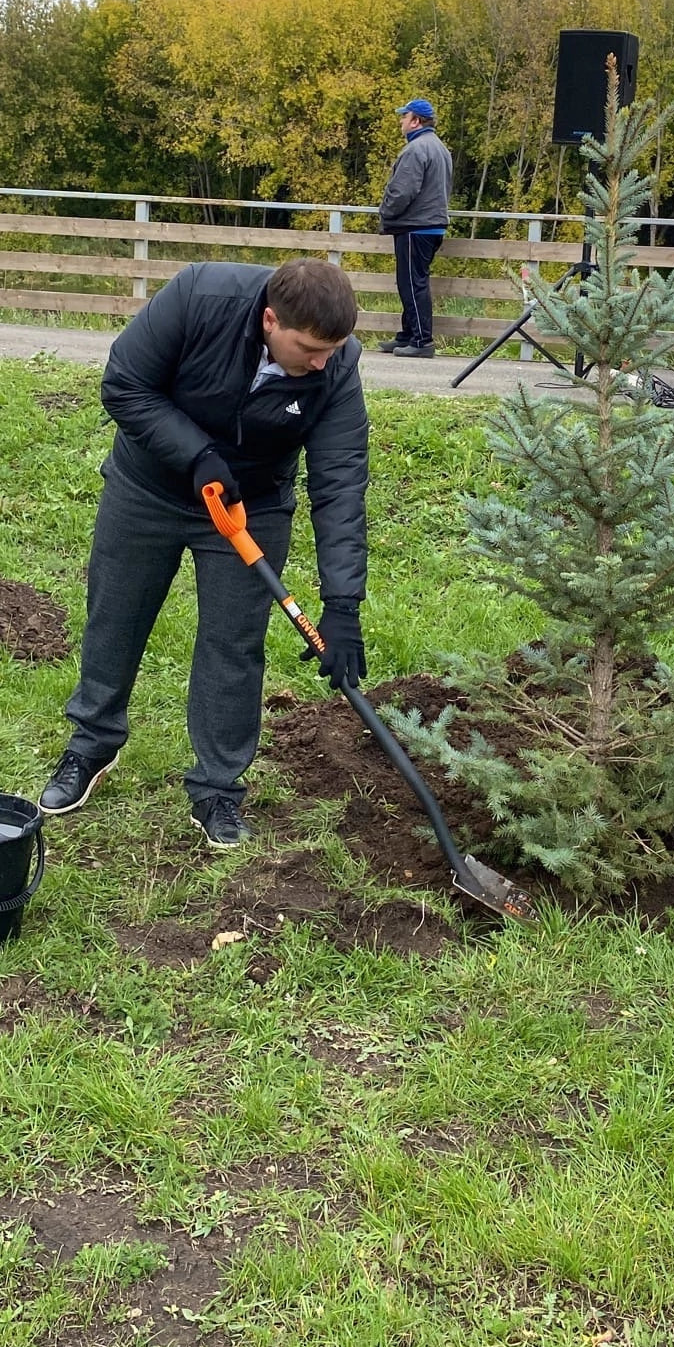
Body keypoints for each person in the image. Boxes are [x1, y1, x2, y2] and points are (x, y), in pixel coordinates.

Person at [39, 258, 369, 847]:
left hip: (253, 504)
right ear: (270, 320)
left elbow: (340, 479)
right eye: (310, 348)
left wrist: (342, 605)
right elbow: (124, 383)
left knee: (233, 643)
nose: (322, 361)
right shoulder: (200, 296)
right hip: (150, 486)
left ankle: (217, 788)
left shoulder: (337, 365)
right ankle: (91, 745)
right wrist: (194, 455)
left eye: (333, 349)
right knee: (116, 614)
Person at [378, 97, 453, 359]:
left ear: (416, 121)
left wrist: (385, 212)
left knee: (412, 283)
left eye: (404, 116)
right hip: (431, 225)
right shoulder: (439, 148)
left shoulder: (416, 150)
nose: (401, 121)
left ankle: (422, 340)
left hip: (415, 225)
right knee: (411, 281)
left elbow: (402, 191)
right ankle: (408, 335)